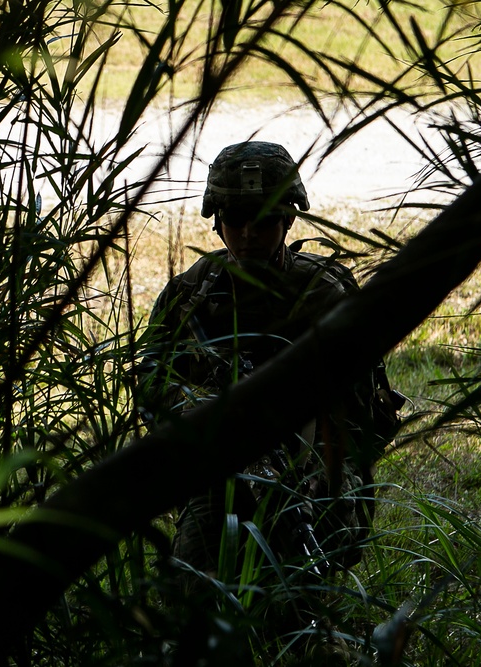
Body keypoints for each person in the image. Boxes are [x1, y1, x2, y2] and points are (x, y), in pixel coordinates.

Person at [142, 141, 403, 664]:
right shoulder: (190, 295)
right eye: (236, 219)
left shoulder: (324, 294)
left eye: (264, 220)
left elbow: (362, 420)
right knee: (195, 594)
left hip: (314, 475)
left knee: (295, 608)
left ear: (287, 221)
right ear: (216, 221)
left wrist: (319, 474)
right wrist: (204, 425)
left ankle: (331, 636)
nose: (248, 234)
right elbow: (153, 387)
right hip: (219, 475)